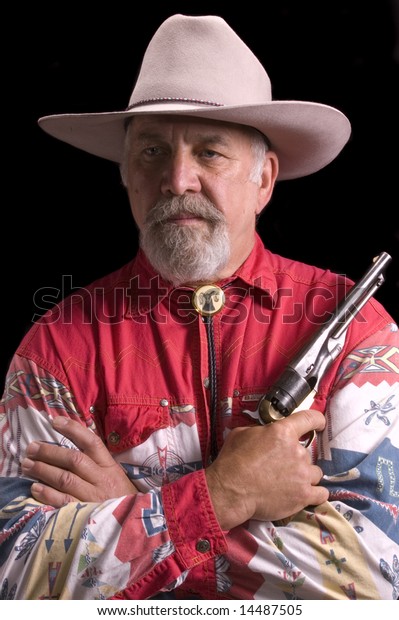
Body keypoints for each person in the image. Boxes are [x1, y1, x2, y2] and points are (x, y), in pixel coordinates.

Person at [0, 13, 398, 601]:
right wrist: (223, 494)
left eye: (210, 153)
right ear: (126, 174)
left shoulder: (358, 329)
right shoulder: (58, 347)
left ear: (264, 179)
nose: (177, 179)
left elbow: (375, 579)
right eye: (154, 151)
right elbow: (18, 583)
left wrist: (128, 519)